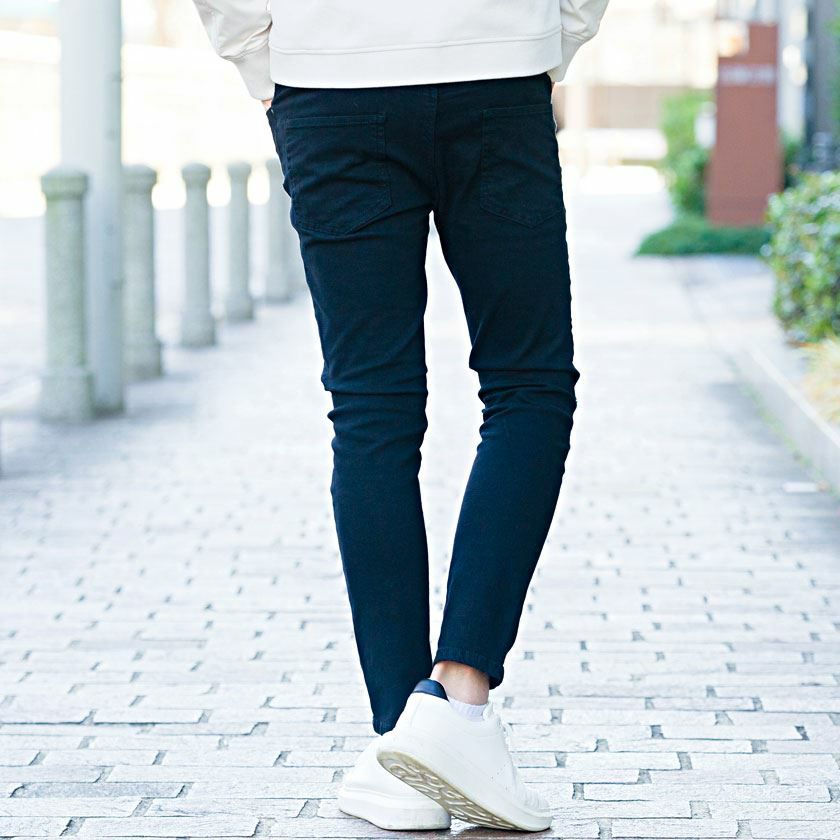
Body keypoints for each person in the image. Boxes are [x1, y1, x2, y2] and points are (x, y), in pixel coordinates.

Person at [191, 0, 609, 831]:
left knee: (371, 410)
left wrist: (264, 54)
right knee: (527, 386)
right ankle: (454, 702)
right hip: (494, 68)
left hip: (329, 80)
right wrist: (547, 33)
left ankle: (402, 743)